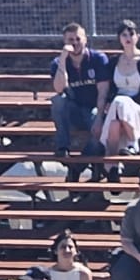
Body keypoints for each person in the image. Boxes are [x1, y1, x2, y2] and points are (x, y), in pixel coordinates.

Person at [95, 21, 140, 178]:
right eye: (124, 34)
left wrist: (121, 103)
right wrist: (112, 103)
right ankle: (114, 169)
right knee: (115, 122)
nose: (128, 37)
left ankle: (128, 147)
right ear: (119, 38)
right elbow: (111, 90)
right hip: (118, 111)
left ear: (138, 37)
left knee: (121, 101)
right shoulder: (114, 62)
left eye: (131, 34)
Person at [50, 23, 110, 174]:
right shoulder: (58, 63)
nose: (75, 43)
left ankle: (77, 168)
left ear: (85, 40)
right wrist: (63, 59)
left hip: (94, 109)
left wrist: (99, 119)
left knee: (101, 136)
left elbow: (103, 91)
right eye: (70, 40)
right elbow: (59, 88)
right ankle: (62, 147)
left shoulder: (98, 59)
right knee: (58, 100)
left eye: (78, 38)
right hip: (73, 110)